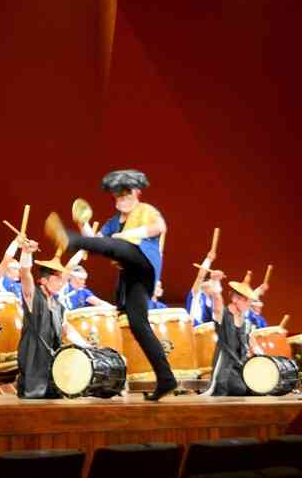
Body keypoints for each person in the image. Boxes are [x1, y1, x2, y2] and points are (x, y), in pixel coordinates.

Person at [45, 169, 177, 401]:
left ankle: (71, 239)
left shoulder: (146, 211)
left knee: (119, 245)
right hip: (132, 276)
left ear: (136, 193)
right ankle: (166, 378)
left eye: (126, 195)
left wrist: (125, 236)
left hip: (144, 262)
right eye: (118, 197)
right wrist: (84, 223)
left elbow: (159, 227)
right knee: (138, 325)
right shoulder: (114, 222)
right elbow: (98, 243)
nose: (122, 200)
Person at [17, 240, 90, 399]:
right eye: (57, 278)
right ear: (43, 280)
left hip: (52, 370)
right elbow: (25, 274)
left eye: (61, 279)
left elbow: (67, 329)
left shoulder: (58, 305)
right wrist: (26, 253)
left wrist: (86, 345)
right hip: (33, 367)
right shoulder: (33, 297)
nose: (61, 282)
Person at [207, 273, 265, 396]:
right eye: (247, 300)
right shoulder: (222, 315)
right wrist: (215, 282)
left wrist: (264, 358)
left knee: (258, 389)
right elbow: (217, 299)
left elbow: (251, 342)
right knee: (240, 389)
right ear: (235, 298)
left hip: (240, 367)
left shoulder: (245, 321)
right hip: (225, 369)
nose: (249, 304)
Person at [186, 249, 220, 326]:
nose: (209, 284)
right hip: (191, 328)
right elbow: (200, 276)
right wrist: (208, 260)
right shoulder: (196, 294)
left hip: (203, 332)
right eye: (207, 281)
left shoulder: (210, 302)